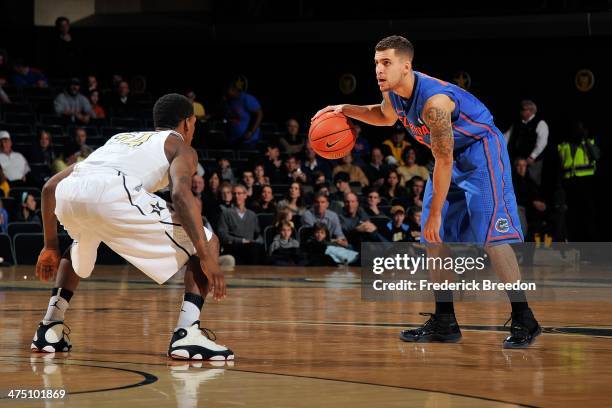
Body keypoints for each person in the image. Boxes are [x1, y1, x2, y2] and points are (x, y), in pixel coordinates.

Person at [313, 35, 540, 348]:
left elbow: (444, 158)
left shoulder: (435, 104)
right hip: (449, 158)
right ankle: (445, 320)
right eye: (376, 63)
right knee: (432, 240)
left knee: (491, 237)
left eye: (386, 63)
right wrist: (342, 108)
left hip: (480, 152)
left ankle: (524, 316)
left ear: (407, 67)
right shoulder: (393, 94)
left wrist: (433, 213)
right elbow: (383, 115)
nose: (379, 69)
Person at [30, 93, 233, 360]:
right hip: (113, 191)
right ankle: (187, 334)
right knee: (207, 240)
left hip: (71, 193)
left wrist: (50, 246)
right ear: (187, 123)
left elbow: (49, 188)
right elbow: (182, 196)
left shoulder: (119, 139)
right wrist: (207, 256)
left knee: (82, 242)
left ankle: (49, 328)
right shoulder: (181, 147)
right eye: (194, 124)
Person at [504, 100, 549, 186]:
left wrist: (533, 156)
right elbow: (506, 137)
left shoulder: (540, 123)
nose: (521, 111)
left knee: (531, 182)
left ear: (531, 111)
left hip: (533, 161)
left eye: (523, 109)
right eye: (521, 109)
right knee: (516, 182)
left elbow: (542, 142)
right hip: (518, 159)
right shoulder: (517, 123)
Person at [217, 184, 264, 265]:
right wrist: (242, 241)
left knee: (257, 249)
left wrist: (257, 241)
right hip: (234, 246)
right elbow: (222, 235)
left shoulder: (252, 214)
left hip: (250, 247)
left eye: (239, 193)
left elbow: (258, 233)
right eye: (234, 194)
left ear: (245, 195)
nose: (236, 196)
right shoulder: (226, 213)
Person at [224, 80, 263, 148]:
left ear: (234, 90)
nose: (226, 92)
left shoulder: (247, 99)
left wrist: (251, 131)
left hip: (249, 141)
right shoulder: (229, 100)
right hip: (233, 140)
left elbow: (259, 114)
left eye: (228, 90)